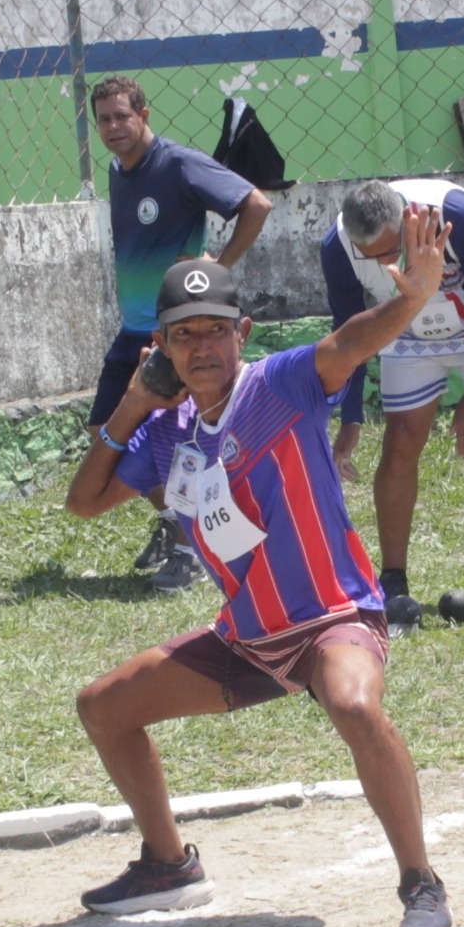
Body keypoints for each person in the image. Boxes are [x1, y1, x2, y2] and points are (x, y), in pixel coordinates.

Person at [63, 205, 455, 927]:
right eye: (184, 333)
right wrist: (137, 402)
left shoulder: (281, 385)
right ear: (164, 347)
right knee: (104, 706)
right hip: (247, 639)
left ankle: (420, 882)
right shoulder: (166, 433)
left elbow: (347, 343)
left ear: (241, 335)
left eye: (215, 329)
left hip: (333, 619)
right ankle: (168, 864)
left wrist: (411, 297)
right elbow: (84, 503)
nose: (202, 345)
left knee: (354, 705)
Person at [320, 179, 464, 612]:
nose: (385, 264)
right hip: (407, 329)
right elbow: (348, 333)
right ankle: (392, 583)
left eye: (391, 251)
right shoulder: (337, 246)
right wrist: (350, 417)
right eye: (373, 258)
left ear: (406, 221)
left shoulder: (454, 214)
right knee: (402, 438)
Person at [88, 75, 274, 591]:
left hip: (175, 333)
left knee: (180, 442)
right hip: (133, 330)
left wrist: (218, 268)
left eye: (122, 116)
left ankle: (192, 549)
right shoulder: (117, 169)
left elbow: (256, 204)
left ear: (144, 115)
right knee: (104, 429)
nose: (113, 127)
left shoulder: (177, 164)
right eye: (104, 119)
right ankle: (177, 522)